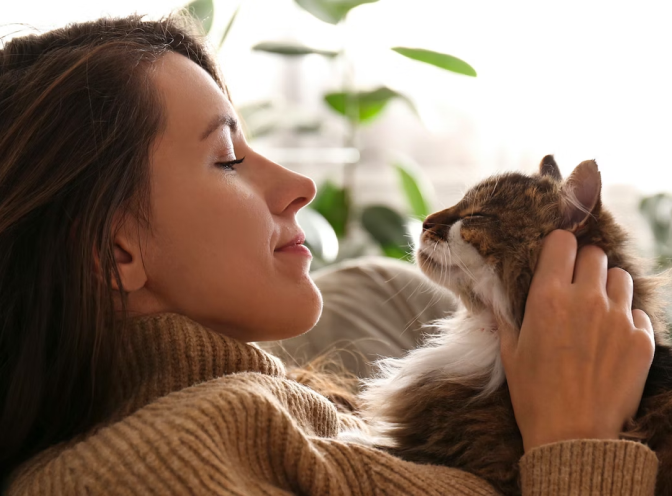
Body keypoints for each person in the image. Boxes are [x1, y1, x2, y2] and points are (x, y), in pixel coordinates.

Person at [0, 14, 658, 495]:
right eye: (229, 159)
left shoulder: (292, 405)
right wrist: (579, 449)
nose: (300, 186)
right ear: (117, 253)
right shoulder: (138, 471)